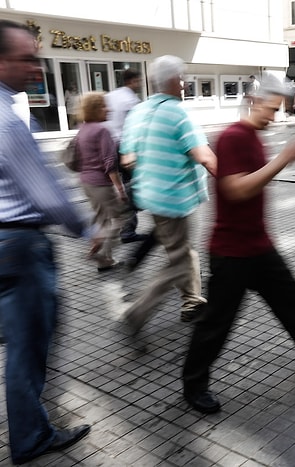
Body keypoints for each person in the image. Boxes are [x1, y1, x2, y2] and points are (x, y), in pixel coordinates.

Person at [181, 75, 295, 414]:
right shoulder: (232, 137)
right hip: (231, 251)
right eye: (271, 109)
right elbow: (235, 189)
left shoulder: (253, 137)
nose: (274, 117)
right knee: (217, 322)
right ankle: (193, 385)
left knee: (290, 295)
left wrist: (278, 160)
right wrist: (282, 160)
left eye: (279, 111)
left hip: (257, 244)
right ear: (254, 101)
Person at [0, 19, 91, 464]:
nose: (36, 68)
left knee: (19, 341)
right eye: (27, 58)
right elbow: (48, 196)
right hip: (19, 246)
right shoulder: (8, 121)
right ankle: (31, 438)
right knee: (28, 346)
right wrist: (86, 229)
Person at [119, 55, 217, 330]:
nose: (185, 84)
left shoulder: (139, 111)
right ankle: (137, 312)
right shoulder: (177, 112)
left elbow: (127, 157)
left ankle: (193, 300)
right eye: (182, 79)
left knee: (184, 251)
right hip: (177, 200)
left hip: (152, 197)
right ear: (173, 81)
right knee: (179, 260)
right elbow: (205, 157)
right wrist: (234, 184)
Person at [76, 91, 128, 271]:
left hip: (86, 182)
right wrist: (120, 189)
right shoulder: (102, 130)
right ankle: (100, 248)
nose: (108, 109)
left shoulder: (82, 128)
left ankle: (105, 260)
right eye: (104, 105)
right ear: (95, 109)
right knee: (120, 218)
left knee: (103, 220)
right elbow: (109, 162)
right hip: (100, 183)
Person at [105, 68, 150, 244]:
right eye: (139, 81)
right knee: (133, 187)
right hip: (125, 147)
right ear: (133, 81)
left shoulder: (111, 95)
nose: (139, 84)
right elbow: (138, 127)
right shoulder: (132, 100)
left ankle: (123, 223)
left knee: (121, 186)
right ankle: (127, 229)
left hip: (108, 146)